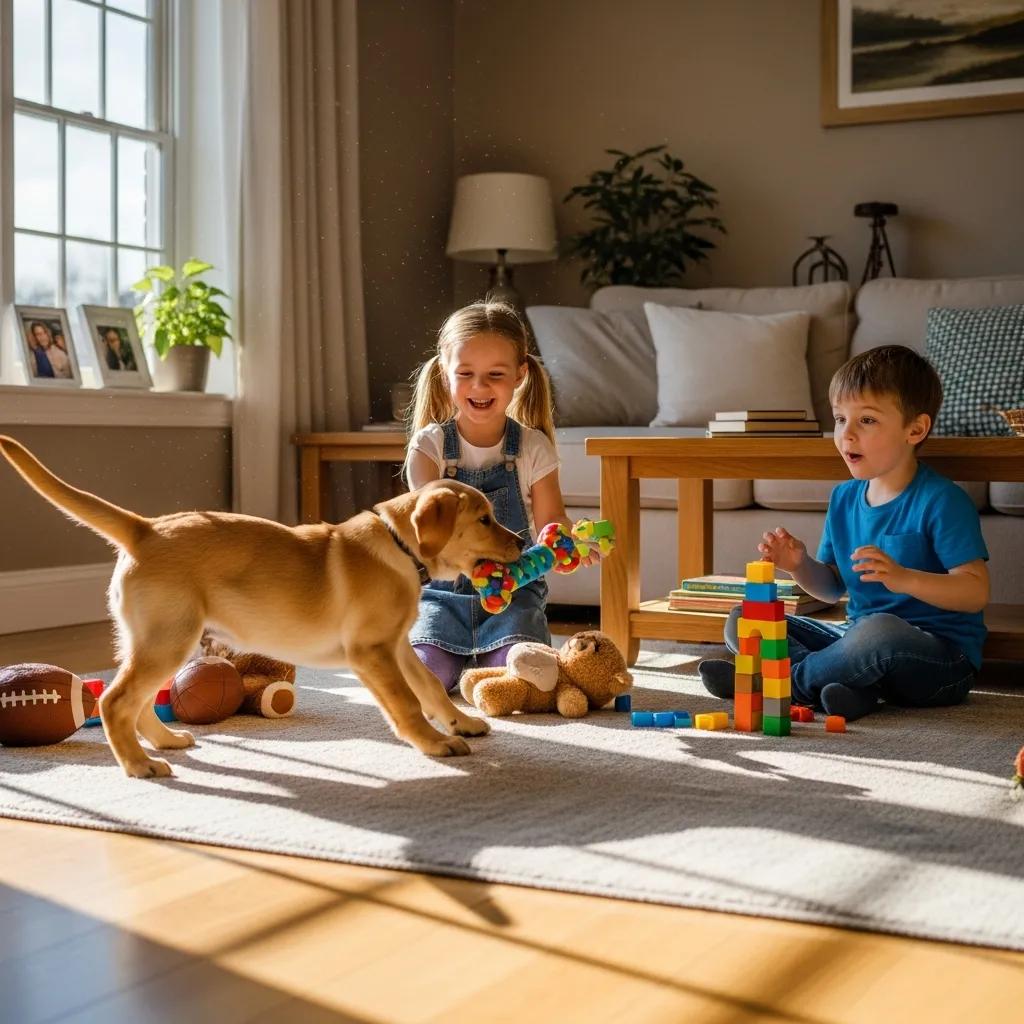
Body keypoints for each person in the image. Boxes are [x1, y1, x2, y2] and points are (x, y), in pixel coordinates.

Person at [698, 345, 989, 722]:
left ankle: (776, 683)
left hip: (941, 659)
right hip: (854, 642)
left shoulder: (942, 500)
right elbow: (833, 587)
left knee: (879, 632)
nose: (846, 434)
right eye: (839, 419)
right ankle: (849, 692)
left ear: (915, 429)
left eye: (866, 420)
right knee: (746, 617)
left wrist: (904, 579)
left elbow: (975, 592)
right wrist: (799, 566)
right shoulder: (844, 497)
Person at [404, 300, 597, 692]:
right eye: (466, 374)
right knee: (427, 678)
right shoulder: (429, 447)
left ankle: (491, 681)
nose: (480, 386)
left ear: (520, 375)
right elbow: (427, 526)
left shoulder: (532, 447)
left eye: (495, 374)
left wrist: (568, 544)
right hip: (443, 594)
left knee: (522, 671)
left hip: (514, 593)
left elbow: (550, 523)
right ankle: (453, 669)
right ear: (445, 374)